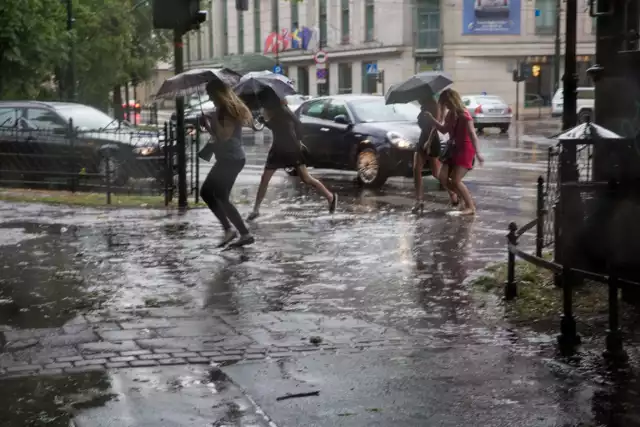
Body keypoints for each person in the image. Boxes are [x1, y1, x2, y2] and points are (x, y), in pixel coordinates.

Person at [247, 88, 337, 221]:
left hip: (290, 148)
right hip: (278, 148)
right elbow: (277, 127)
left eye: (262, 100)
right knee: (264, 178)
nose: (261, 103)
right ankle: (256, 209)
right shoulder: (273, 111)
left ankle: (330, 197)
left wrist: (299, 141)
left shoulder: (283, 110)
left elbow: (296, 124)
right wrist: (264, 121)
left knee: (306, 178)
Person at [199, 78, 255, 247]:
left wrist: (209, 123)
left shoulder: (226, 110)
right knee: (209, 193)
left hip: (232, 159)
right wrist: (209, 122)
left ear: (217, 93)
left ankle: (237, 232)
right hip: (228, 158)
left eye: (210, 94)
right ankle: (236, 232)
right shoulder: (222, 110)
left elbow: (223, 136)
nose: (209, 98)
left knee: (217, 194)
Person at [424, 88, 484, 216]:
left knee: (456, 180)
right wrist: (432, 120)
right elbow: (444, 130)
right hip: (452, 149)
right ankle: (463, 197)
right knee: (442, 177)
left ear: (453, 101)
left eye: (447, 103)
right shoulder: (450, 115)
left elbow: (473, 134)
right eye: (445, 104)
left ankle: (470, 207)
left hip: (465, 150)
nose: (446, 106)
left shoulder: (464, 115)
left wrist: (478, 153)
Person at [412, 94, 449, 214]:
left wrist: (429, 142)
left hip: (431, 140)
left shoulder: (433, 106)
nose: (416, 97)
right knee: (417, 168)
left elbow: (436, 124)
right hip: (423, 137)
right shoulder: (424, 107)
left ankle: (455, 192)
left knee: (435, 172)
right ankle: (419, 200)